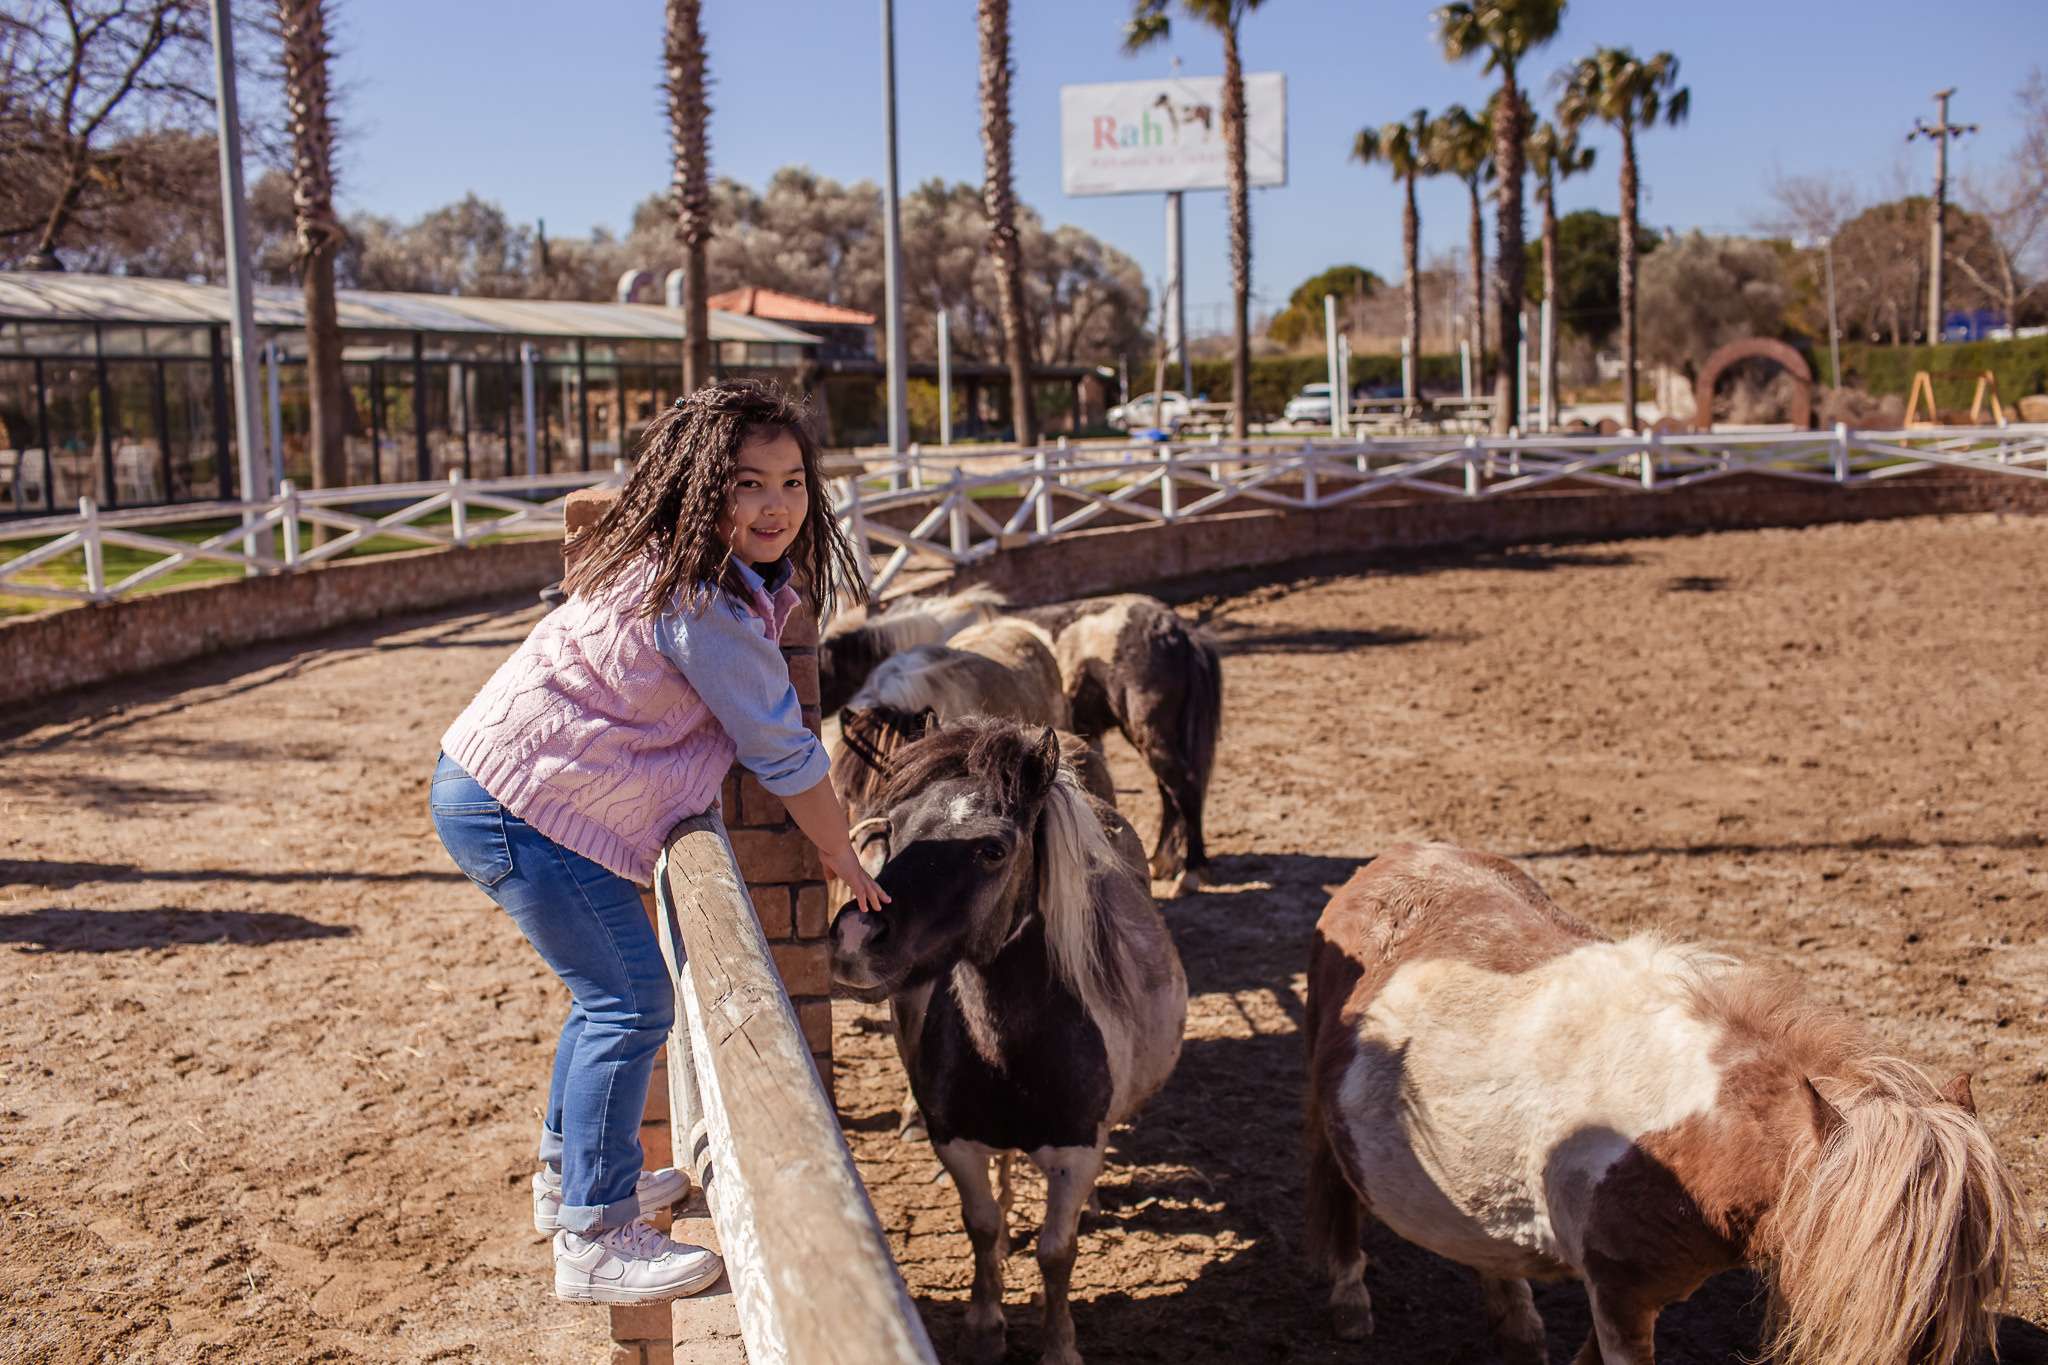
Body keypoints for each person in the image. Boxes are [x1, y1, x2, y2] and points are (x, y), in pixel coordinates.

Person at [429, 380, 887, 1304]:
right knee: (630, 1001)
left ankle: (571, 1180)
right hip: (524, 804)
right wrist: (841, 854)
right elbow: (783, 747)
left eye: (793, 481)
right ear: (698, 487)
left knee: (603, 991)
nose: (775, 504)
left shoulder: (689, 575)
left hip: (499, 787)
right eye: (747, 482)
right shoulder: (701, 602)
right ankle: (595, 1238)